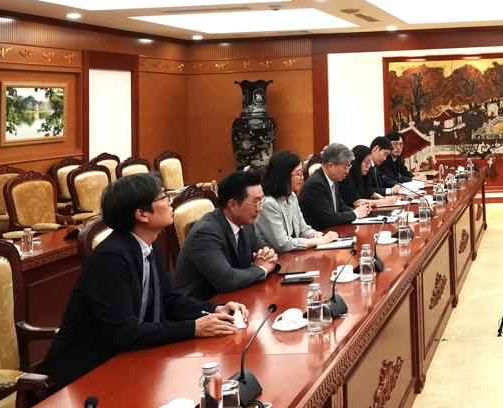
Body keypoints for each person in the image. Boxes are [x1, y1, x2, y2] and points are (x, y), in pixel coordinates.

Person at [40, 173, 246, 388]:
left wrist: (215, 309)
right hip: (83, 373)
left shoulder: (149, 244)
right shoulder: (111, 258)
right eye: (164, 197)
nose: (170, 202)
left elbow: (170, 299)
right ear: (142, 214)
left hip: (129, 358)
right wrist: (193, 328)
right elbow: (124, 333)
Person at [172, 170, 280, 300]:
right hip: (203, 304)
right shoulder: (205, 233)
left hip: (235, 296)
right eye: (255, 203)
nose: (260, 208)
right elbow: (228, 280)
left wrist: (269, 257)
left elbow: (266, 254)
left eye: (261, 201)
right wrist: (262, 269)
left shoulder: (246, 224)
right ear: (233, 205)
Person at [256, 150, 340, 254]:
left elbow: (303, 228)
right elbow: (283, 244)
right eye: (299, 174)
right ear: (284, 176)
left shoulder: (291, 197)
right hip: (277, 259)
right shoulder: (268, 203)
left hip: (294, 255)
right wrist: (320, 241)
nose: (302, 178)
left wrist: (316, 235)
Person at [299, 142, 372, 229]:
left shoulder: (333, 180)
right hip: (319, 233)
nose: (347, 171)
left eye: (349, 167)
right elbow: (328, 218)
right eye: (345, 167)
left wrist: (361, 209)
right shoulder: (316, 184)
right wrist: (356, 213)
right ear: (331, 166)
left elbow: (341, 207)